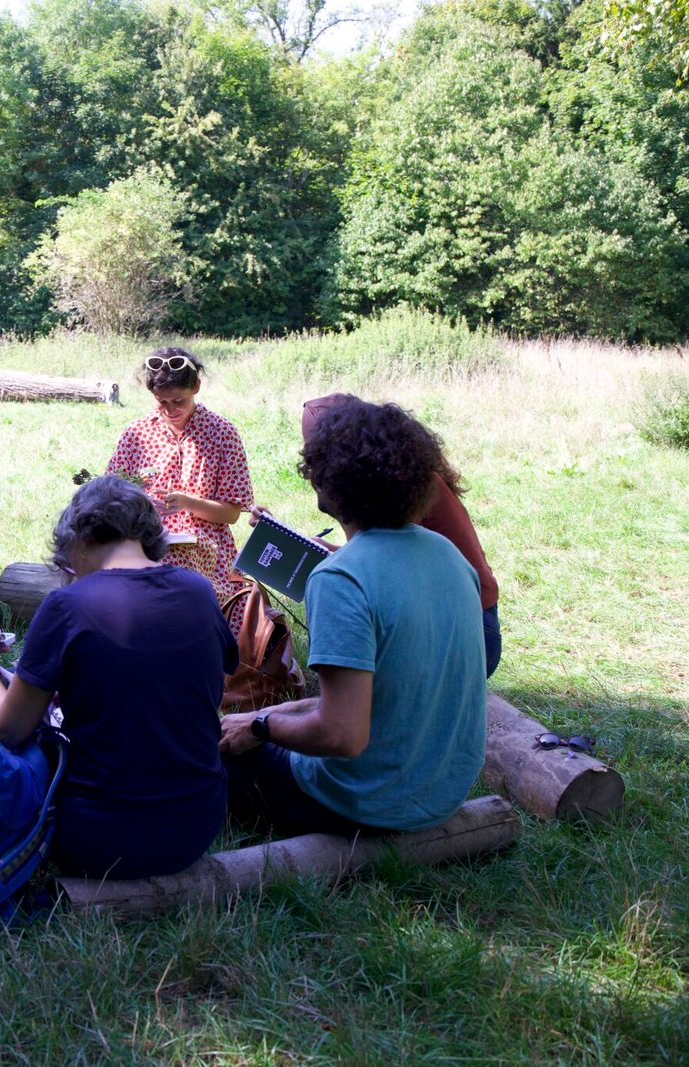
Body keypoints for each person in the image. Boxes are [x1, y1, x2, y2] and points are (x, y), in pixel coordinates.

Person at [219, 399, 487, 836]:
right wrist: (270, 715)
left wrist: (261, 725)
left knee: (207, 754)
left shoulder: (340, 577)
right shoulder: (449, 556)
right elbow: (381, 696)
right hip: (442, 793)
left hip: (370, 806)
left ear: (326, 481)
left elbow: (342, 735)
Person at [0, 477, 237, 880]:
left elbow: (7, 729)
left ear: (78, 540)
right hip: (197, 828)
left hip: (97, 839)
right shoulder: (200, 591)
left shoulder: (67, 604)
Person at [300, 393, 501, 676]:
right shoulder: (405, 489)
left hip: (472, 631)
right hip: (463, 623)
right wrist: (333, 553)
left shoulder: (338, 581)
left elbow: (343, 721)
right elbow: (386, 560)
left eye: (316, 459)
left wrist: (261, 722)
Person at [106, 347, 254, 632]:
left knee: (191, 587)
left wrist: (188, 503)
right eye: (162, 402)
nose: (170, 410)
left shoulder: (222, 433)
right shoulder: (137, 432)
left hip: (206, 547)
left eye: (179, 401)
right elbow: (111, 494)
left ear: (196, 387)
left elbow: (232, 513)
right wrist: (140, 503)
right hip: (144, 539)